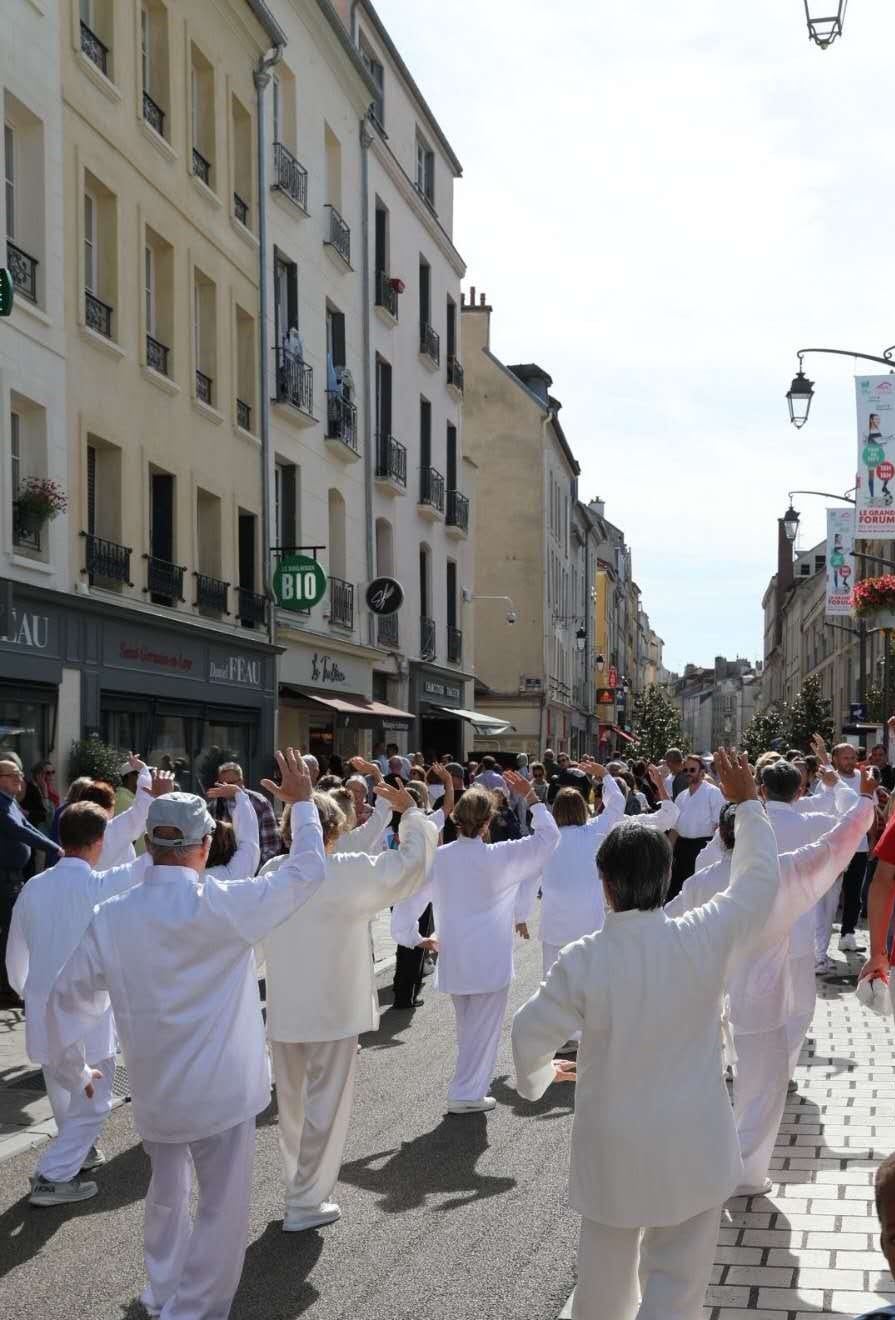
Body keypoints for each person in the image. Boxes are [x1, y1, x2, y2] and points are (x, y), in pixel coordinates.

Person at [43, 750, 328, 1320]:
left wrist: (78, 1071)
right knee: (221, 1209)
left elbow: (63, 1003)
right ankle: (191, 1309)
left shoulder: (112, 915)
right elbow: (306, 873)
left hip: (157, 1091)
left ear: (149, 845)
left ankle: (162, 1291)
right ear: (203, 846)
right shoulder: (224, 903)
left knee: (166, 1194)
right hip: (223, 1092)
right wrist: (302, 805)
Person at [511, 750, 779, 1320]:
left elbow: (528, 1030)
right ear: (665, 876)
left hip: (613, 1144)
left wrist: (538, 1077)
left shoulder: (585, 958)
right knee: (677, 1284)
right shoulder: (701, 935)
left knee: (603, 1283)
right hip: (694, 1140)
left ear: (605, 885)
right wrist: (749, 806)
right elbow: (758, 884)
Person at [667, 767, 875, 1195]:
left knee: (714, 1092)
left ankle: (705, 1162)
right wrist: (866, 800)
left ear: (722, 836)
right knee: (762, 1093)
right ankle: (743, 1174)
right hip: (759, 1005)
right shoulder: (781, 875)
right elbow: (836, 844)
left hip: (709, 1004)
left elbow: (664, 932)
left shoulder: (702, 879)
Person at [260, 782, 436, 1231]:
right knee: (325, 1108)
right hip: (333, 1007)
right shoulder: (346, 869)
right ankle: (305, 1199)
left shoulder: (274, 870)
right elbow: (410, 865)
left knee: (294, 1106)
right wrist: (411, 814)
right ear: (336, 830)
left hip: (286, 1006)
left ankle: (299, 1188)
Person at [6, 802, 151, 1204]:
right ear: (100, 842)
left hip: (41, 1005)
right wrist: (152, 799)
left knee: (63, 1089)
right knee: (95, 1099)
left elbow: (14, 957)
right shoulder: (100, 885)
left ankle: (75, 1155)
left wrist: (29, 992)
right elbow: (150, 863)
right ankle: (54, 1175)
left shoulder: (33, 887)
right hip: (88, 1011)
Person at [392, 770, 559, 1113]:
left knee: (470, 1030)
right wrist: (533, 799)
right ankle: (466, 1093)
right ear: (487, 823)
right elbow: (548, 838)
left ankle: (466, 1089)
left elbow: (410, 902)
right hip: (489, 960)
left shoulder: (441, 858)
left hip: (454, 956)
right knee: (481, 1033)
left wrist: (412, 936)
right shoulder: (500, 856)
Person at [0, 759, 63, 1003]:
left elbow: (28, 826)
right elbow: (18, 831)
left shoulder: (10, 802)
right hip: (4, 878)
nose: (20, 778)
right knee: (9, 932)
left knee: (12, 930)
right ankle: (6, 988)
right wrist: (55, 850)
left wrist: (55, 846)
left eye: (20, 773)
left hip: (14, 877)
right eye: (14, 774)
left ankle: (8, 985)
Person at [814, 742, 869, 957]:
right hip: (835, 846)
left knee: (854, 893)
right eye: (845, 757)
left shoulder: (863, 777)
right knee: (829, 895)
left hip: (859, 846)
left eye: (853, 757)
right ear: (835, 759)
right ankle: (821, 945)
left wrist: (872, 840)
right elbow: (821, 810)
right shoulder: (826, 780)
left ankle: (848, 934)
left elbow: (869, 808)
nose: (850, 761)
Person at [668, 754, 724, 900]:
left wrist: (714, 854)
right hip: (682, 849)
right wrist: (667, 852)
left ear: (702, 772)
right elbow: (674, 829)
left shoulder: (713, 793)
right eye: (685, 770)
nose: (688, 773)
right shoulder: (681, 796)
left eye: (692, 770)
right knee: (677, 893)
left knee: (699, 894)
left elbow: (719, 827)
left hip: (703, 848)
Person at [207, 760, 280, 866]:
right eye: (222, 784)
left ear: (241, 781)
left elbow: (271, 845)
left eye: (230, 784)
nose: (226, 787)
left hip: (255, 869)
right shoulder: (214, 806)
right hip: (223, 871)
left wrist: (258, 870)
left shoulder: (260, 803)